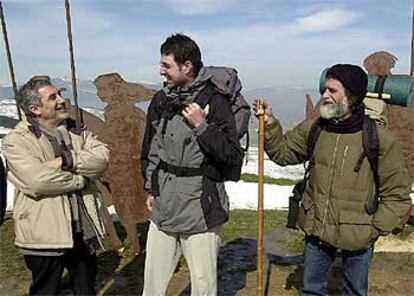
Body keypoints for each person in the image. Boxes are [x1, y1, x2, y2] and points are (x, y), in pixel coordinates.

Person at [253, 64, 411, 296]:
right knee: (312, 291)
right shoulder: (315, 129)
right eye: (325, 89)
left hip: (359, 234)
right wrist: (271, 122)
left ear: (352, 96)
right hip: (317, 230)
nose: (325, 95)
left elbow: (396, 193)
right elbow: (284, 153)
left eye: (332, 90)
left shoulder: (378, 139)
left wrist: (376, 228)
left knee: (354, 292)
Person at [141, 33, 243, 295]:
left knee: (203, 283)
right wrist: (150, 188)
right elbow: (151, 149)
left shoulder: (215, 102)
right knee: (153, 281)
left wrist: (201, 126)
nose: (160, 70)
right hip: (165, 201)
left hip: (201, 206)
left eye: (166, 65)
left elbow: (232, 156)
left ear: (187, 67)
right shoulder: (161, 100)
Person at [1, 76, 109, 296]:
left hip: (82, 231)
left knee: (85, 289)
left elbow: (102, 157)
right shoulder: (17, 141)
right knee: (45, 291)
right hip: (44, 235)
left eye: (59, 93)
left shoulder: (75, 129)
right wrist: (81, 179)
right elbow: (37, 181)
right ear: (35, 109)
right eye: (53, 97)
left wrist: (66, 161)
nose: (61, 100)